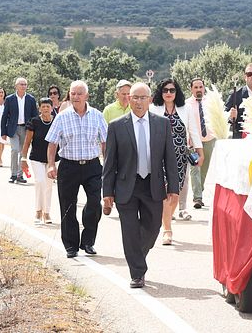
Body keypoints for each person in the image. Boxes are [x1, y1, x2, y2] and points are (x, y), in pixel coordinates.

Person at [102, 82, 178, 288]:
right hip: (126, 185)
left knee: (153, 227)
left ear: (150, 100)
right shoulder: (117, 126)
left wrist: (173, 187)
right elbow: (110, 162)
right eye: (134, 97)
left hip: (152, 184)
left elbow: (169, 158)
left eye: (143, 97)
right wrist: (107, 192)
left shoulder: (161, 124)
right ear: (128, 100)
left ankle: (137, 256)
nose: (138, 101)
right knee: (129, 229)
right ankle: (137, 272)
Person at [46, 80, 107, 258]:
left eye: (79, 93)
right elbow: (52, 143)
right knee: (67, 206)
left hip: (92, 166)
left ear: (86, 96)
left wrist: (109, 164)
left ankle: (88, 241)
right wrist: (51, 164)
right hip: (68, 166)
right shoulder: (62, 116)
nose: (76, 96)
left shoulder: (97, 115)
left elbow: (105, 142)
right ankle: (71, 246)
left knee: (95, 203)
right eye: (73, 93)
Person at [149, 78, 203, 246]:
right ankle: (167, 230)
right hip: (159, 157)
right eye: (165, 90)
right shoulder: (153, 109)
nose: (169, 93)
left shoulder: (185, 109)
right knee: (165, 193)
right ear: (161, 92)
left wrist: (200, 153)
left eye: (172, 90)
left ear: (177, 92)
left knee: (176, 193)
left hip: (180, 156)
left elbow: (193, 131)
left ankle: (164, 221)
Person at [21, 97, 57, 225]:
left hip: (52, 159)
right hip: (36, 158)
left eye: (48, 106)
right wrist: (23, 158)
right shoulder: (34, 122)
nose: (46, 109)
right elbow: (27, 142)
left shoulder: (57, 121)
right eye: (43, 106)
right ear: (39, 108)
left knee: (48, 186)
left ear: (52, 108)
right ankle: (38, 211)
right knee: (40, 181)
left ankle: (46, 213)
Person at [1, 77, 38, 184]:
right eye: (21, 84)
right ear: (16, 86)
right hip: (13, 128)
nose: (23, 86)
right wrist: (3, 132)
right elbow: (4, 116)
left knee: (23, 152)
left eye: (25, 84)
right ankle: (13, 174)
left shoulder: (31, 99)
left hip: (26, 129)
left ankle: (20, 175)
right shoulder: (9, 99)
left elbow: (34, 116)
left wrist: (34, 130)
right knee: (15, 150)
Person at [186, 78, 215, 209]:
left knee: (204, 169)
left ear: (204, 88)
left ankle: (200, 191)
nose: (198, 89)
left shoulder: (211, 103)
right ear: (191, 89)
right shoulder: (186, 104)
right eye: (196, 87)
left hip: (209, 140)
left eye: (200, 87)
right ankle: (197, 198)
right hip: (193, 142)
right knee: (195, 168)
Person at [225, 63, 252, 139]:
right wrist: (230, 117)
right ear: (245, 77)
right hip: (241, 141)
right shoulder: (235, 95)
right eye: (249, 74)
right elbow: (223, 116)